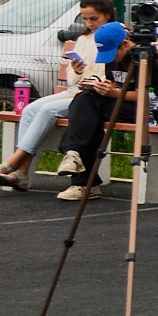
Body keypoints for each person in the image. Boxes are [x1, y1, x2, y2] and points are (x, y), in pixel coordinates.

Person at [0, 0, 113, 193]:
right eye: (86, 19)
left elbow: (108, 75)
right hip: (77, 89)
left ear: (108, 14)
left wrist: (84, 86)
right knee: (30, 109)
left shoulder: (113, 36)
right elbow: (72, 78)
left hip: (91, 94)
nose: (90, 23)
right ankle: (22, 173)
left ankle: (12, 163)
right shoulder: (83, 39)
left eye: (94, 18)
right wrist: (77, 71)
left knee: (48, 110)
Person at [53, 19, 134, 202]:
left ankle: (82, 179)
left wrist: (113, 92)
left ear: (125, 44)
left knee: (88, 113)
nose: (111, 58)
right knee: (85, 100)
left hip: (140, 107)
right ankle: (74, 157)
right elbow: (115, 82)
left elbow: (146, 95)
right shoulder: (115, 56)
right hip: (117, 99)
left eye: (113, 53)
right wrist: (102, 85)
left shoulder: (143, 58)